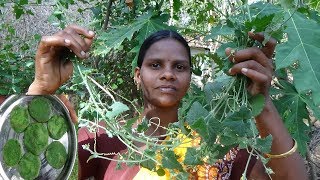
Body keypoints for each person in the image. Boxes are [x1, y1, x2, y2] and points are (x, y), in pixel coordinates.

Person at [27, 25, 308, 180]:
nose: (167, 73)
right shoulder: (101, 140)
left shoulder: (217, 146)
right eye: (155, 64)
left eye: (180, 67)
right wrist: (40, 89)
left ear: (189, 77)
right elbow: (32, 173)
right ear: (138, 75)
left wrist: (263, 104)